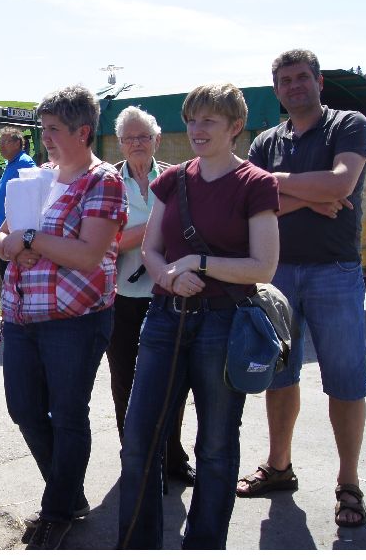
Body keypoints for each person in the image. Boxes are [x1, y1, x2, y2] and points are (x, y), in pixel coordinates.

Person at [117, 82, 279, 550]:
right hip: (165, 319)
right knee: (139, 441)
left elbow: (263, 267)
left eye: (209, 120)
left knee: (215, 448)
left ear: (235, 126)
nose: (196, 128)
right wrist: (168, 277)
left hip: (224, 324)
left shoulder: (256, 184)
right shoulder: (173, 180)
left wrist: (197, 263)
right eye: (191, 119)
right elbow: (151, 249)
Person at [239, 49, 366, 529]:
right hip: (276, 273)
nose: (294, 86)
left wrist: (281, 183)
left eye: (302, 77)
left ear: (319, 82)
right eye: (285, 80)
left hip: (334, 271)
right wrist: (311, 199)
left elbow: (342, 183)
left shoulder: (348, 125)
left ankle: (348, 483)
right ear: (276, 89)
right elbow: (253, 204)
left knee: (345, 379)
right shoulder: (266, 141)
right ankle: (279, 467)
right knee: (279, 375)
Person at [0, 85, 127, 550]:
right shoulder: (38, 177)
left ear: (82, 131)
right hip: (22, 316)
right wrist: (14, 245)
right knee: (24, 409)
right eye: (43, 128)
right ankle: (67, 494)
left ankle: (57, 510)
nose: (44, 138)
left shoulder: (102, 181)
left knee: (68, 415)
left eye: (52, 129)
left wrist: (30, 241)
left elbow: (88, 254)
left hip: (75, 320)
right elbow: (1, 237)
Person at [104, 107, 195, 488]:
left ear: (157, 140)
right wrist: (157, 228)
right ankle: (136, 458)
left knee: (173, 383)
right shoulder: (107, 182)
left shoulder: (177, 179)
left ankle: (172, 457)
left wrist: (139, 234)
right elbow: (107, 241)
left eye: (143, 137)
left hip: (168, 295)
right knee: (125, 381)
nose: (136, 144)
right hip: (121, 298)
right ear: (120, 144)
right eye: (129, 138)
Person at [0, 126, 36, 282]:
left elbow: (31, 197)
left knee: (14, 281)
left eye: (6, 142)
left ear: (17, 144)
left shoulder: (24, 163)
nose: (1, 146)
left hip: (15, 236)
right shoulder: (11, 163)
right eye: (0, 142)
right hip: (5, 233)